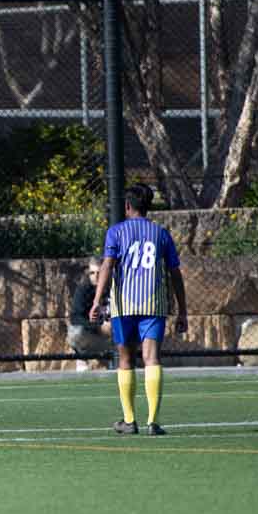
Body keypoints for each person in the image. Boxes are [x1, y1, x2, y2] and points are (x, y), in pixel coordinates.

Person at [89, 183, 188, 436]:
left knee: (125, 359)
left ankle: (129, 420)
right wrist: (183, 310)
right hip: (153, 304)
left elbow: (107, 266)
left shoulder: (116, 232)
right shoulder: (161, 234)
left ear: (127, 206)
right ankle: (153, 421)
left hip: (124, 305)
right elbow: (175, 273)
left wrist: (97, 300)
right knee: (151, 358)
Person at [67, 257, 114, 371]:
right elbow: (75, 318)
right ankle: (82, 357)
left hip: (114, 337)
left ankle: (120, 360)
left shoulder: (114, 288)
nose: (96, 276)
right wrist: (98, 327)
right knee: (75, 332)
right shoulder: (83, 290)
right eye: (92, 273)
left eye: (99, 272)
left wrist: (113, 325)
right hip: (93, 337)